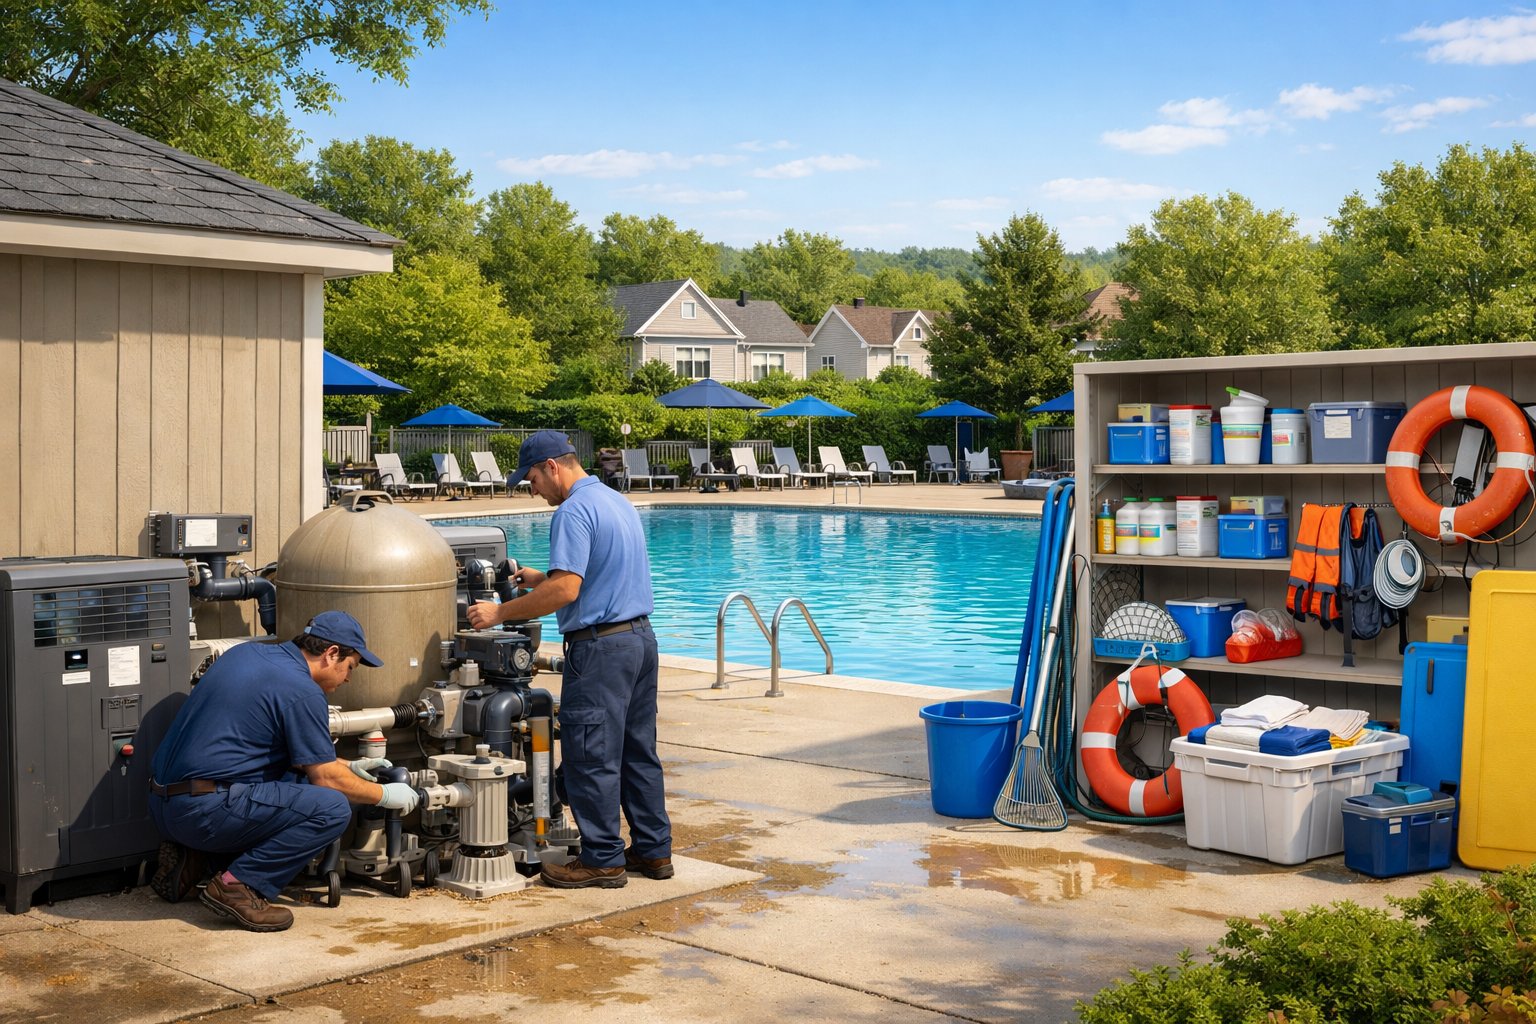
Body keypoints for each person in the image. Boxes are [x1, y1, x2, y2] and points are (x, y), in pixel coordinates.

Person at [466, 429, 672, 889]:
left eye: (533, 478)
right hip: (640, 641)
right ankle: (654, 852)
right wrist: (539, 578)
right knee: (638, 752)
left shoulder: (573, 510)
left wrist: (498, 611)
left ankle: (602, 858)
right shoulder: (615, 500)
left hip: (601, 649)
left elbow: (568, 590)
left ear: (552, 467)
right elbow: (593, 574)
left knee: (589, 754)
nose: (533, 489)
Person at [148, 611, 420, 932]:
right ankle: (238, 885)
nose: (348, 678)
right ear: (331, 654)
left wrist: (351, 766)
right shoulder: (302, 690)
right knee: (330, 808)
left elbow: (297, 759)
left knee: (293, 781)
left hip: (164, 806)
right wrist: (386, 795)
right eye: (350, 667)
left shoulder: (247, 653)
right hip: (204, 812)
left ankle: (199, 858)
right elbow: (325, 778)